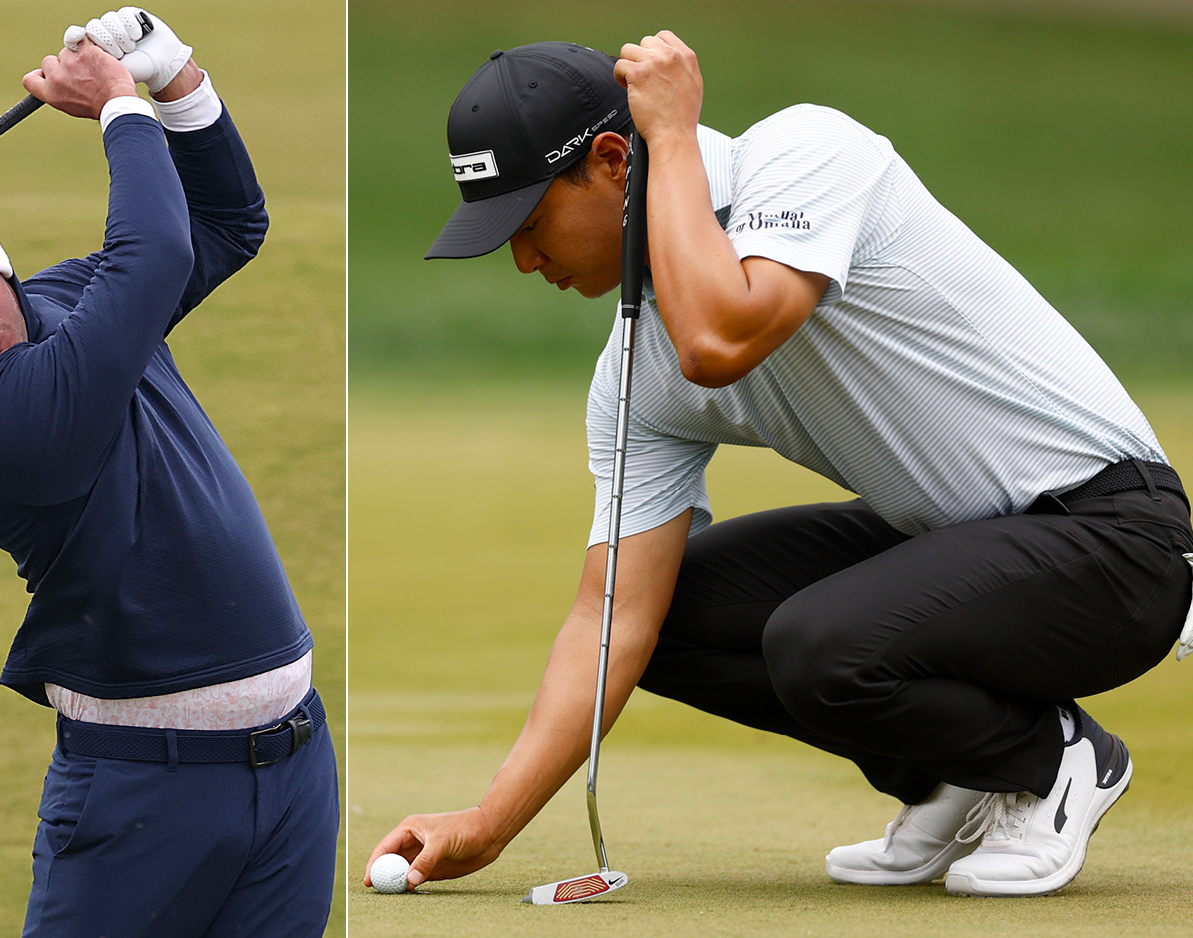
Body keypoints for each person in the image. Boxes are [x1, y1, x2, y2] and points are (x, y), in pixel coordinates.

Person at [367, 32, 1193, 899]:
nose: (524, 260)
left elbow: (719, 337)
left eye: (529, 223)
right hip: (964, 544)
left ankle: (1048, 761)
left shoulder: (805, 154)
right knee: (659, 618)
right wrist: (490, 821)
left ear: (613, 161)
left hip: (1113, 540)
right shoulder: (632, 372)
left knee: (819, 643)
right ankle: (949, 775)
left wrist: (674, 138)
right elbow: (606, 617)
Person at [0, 9, 337, 935]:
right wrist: (118, 105)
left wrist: (177, 80)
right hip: (142, 794)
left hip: (294, 765)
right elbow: (155, 257)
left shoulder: (61, 298)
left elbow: (224, 224)